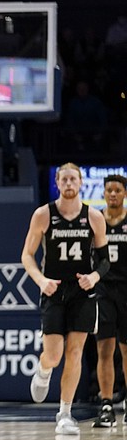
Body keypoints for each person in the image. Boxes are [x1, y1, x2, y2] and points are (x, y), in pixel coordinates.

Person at [22, 163, 109, 435]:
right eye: (64, 179)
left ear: (81, 183)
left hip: (82, 291)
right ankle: (43, 370)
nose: (69, 183)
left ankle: (65, 413)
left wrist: (94, 277)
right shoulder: (43, 214)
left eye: (74, 178)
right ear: (57, 183)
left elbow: (105, 260)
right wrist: (41, 281)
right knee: (54, 354)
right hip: (54, 289)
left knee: (75, 352)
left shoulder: (94, 217)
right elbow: (27, 255)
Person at [93, 174, 127, 427]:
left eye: (117, 190)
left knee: (126, 349)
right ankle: (106, 403)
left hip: (126, 290)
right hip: (103, 290)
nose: (113, 194)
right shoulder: (95, 221)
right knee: (104, 348)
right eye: (109, 190)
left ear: (124, 193)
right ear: (103, 193)